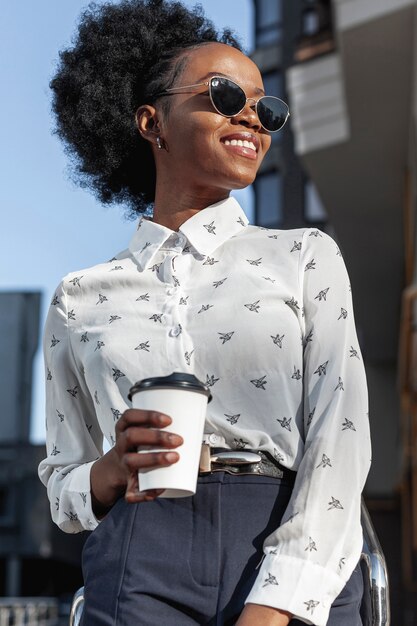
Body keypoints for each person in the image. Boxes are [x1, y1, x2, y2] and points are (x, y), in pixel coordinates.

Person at [38, 1, 371, 624]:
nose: (252, 115)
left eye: (267, 108)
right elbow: (62, 485)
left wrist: (280, 599)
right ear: (151, 121)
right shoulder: (78, 296)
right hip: (138, 554)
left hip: (285, 533)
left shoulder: (304, 257)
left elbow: (340, 436)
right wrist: (108, 472)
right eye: (223, 94)